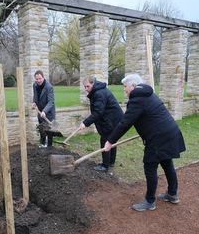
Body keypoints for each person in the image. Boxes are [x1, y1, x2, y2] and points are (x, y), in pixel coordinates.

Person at [104, 73, 186, 211]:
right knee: (167, 162)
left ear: (134, 86)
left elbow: (125, 123)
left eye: (125, 87)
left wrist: (110, 141)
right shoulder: (148, 94)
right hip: (170, 132)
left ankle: (149, 201)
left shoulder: (137, 100)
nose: (124, 89)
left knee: (150, 166)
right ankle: (172, 194)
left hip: (158, 137)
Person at [78, 76, 124, 172]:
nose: (86, 89)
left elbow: (98, 112)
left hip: (112, 120)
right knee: (112, 140)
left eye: (88, 86)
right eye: (85, 87)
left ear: (93, 84)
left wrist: (85, 123)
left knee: (105, 140)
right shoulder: (98, 90)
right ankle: (111, 161)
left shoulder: (99, 93)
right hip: (115, 119)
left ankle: (105, 165)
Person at [32, 70, 55, 148]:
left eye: (40, 78)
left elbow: (51, 101)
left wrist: (45, 111)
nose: (38, 80)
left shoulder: (49, 87)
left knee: (49, 131)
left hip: (48, 113)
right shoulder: (34, 85)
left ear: (43, 77)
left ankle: (49, 147)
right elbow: (35, 97)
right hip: (40, 112)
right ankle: (42, 144)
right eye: (37, 79)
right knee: (42, 128)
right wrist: (34, 102)